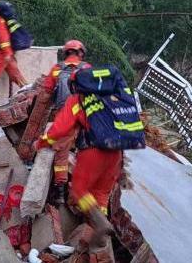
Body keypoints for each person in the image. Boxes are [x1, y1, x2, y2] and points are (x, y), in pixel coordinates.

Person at [35, 71, 120, 249]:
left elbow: (60, 130)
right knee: (101, 195)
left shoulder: (77, 101)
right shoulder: (110, 98)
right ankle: (96, 239)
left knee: (79, 191)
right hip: (116, 153)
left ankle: (100, 223)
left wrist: (43, 142)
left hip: (95, 149)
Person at [40, 40, 91, 205]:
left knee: (61, 155)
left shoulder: (57, 69)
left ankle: (60, 193)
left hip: (65, 116)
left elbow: (46, 93)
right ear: (80, 53)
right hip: (85, 116)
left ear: (66, 52)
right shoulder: (87, 68)